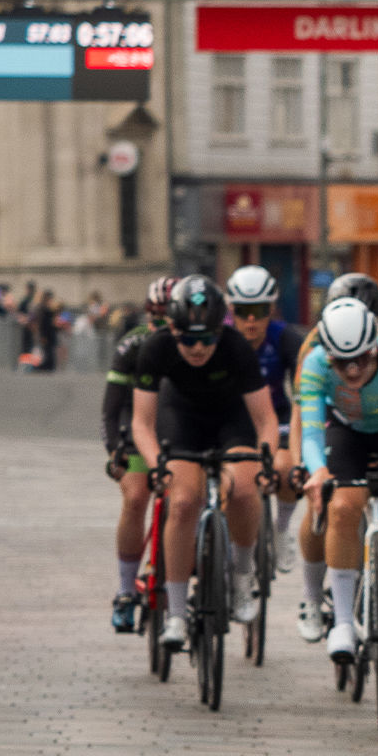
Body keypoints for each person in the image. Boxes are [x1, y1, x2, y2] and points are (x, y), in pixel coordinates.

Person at [130, 277, 280, 650]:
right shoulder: (156, 348)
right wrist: (155, 464)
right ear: (172, 330)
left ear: (219, 331)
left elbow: (265, 420)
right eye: (188, 339)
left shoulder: (236, 348)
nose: (198, 348)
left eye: (207, 339)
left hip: (231, 420)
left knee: (245, 491)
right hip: (181, 419)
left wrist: (265, 461)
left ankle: (243, 575)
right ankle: (177, 614)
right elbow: (141, 423)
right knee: (182, 503)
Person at [299, 297, 378, 674]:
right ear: (326, 354)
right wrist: (317, 471)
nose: (351, 372)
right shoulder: (315, 364)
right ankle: (344, 624)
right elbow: (312, 432)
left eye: (361, 361)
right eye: (340, 362)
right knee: (341, 507)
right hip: (345, 432)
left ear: (375, 348)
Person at [104, 277, 175, 631]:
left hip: (179, 434)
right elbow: (113, 404)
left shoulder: (193, 343)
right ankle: (125, 588)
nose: (161, 322)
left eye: (168, 315)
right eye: (155, 315)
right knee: (135, 498)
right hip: (138, 432)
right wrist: (113, 448)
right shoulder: (132, 344)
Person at [226, 265, 306, 560]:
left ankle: (281, 528)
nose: (250, 320)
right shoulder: (219, 337)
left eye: (259, 311)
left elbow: (303, 388)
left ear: (271, 309)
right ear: (231, 310)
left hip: (277, 417)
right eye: (243, 310)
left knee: (286, 472)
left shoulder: (285, 338)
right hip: (232, 421)